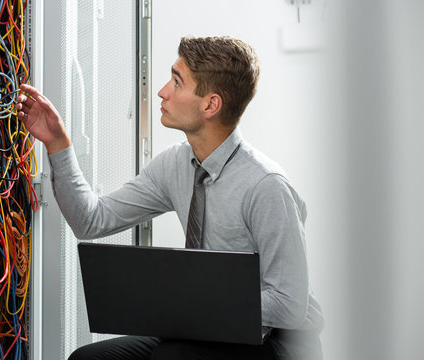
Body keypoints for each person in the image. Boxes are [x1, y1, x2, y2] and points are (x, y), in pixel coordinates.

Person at [16, 36, 324, 360]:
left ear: (210, 105)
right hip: (210, 325)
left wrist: (189, 305)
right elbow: (91, 220)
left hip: (281, 341)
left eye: (177, 82)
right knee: (88, 359)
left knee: (173, 356)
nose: (162, 91)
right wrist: (57, 143)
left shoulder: (266, 186)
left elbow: (289, 304)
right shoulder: (175, 164)